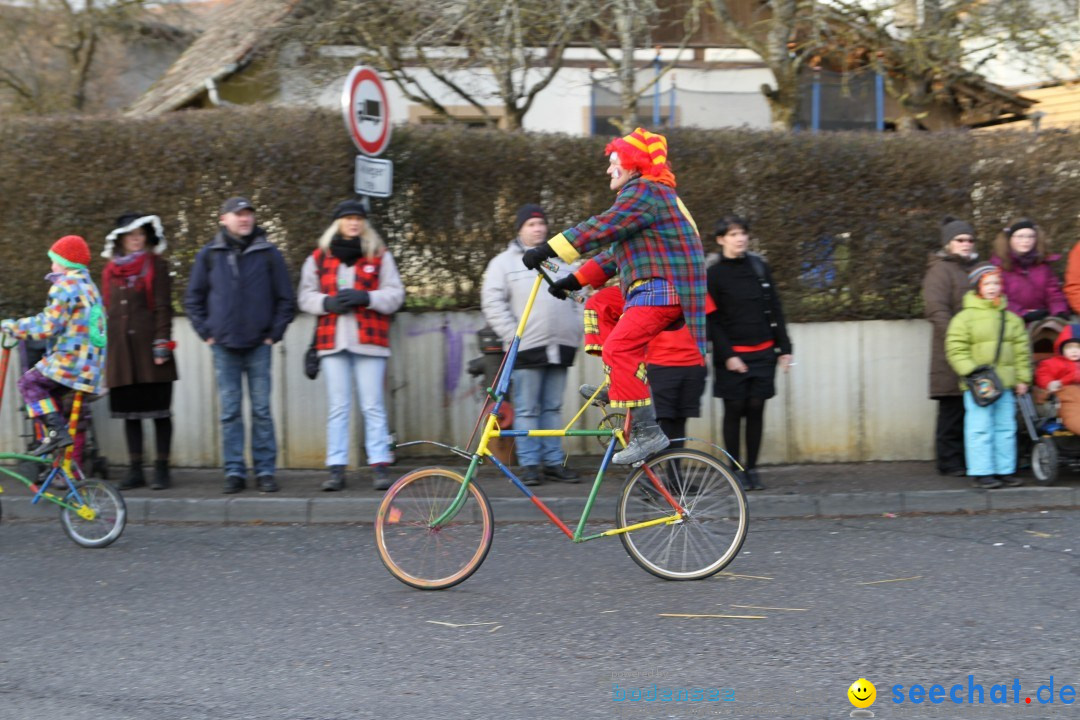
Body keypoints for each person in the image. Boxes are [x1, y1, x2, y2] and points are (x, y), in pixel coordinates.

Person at [525, 127, 706, 466]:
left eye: (613, 161)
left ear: (633, 164)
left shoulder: (645, 191)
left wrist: (548, 249)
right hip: (650, 287)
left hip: (661, 289)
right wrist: (573, 281)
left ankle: (647, 433)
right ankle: (620, 384)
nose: (609, 169)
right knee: (600, 304)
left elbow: (603, 226)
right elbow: (615, 254)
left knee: (619, 347)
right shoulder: (648, 197)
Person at [184, 197, 295, 494]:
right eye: (238, 214)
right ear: (223, 218)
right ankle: (234, 471)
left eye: (248, 214)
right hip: (224, 346)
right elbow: (193, 300)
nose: (244, 219)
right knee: (230, 411)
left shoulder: (269, 253)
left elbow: (286, 299)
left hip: (260, 344)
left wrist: (274, 334)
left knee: (261, 410)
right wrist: (207, 333)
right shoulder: (209, 254)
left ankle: (265, 472)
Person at [297, 199, 405, 492]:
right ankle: (336, 468)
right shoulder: (319, 258)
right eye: (348, 218)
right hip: (332, 341)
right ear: (338, 223)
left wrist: (368, 298)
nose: (353, 223)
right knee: (338, 406)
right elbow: (305, 296)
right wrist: (326, 302)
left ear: (364, 223)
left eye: (358, 218)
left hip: (370, 341)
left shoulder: (379, 255)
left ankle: (380, 464)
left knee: (373, 405)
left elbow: (396, 294)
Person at [481, 203, 583, 486]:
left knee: (552, 408)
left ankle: (552, 462)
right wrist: (514, 334)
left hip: (561, 346)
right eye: (531, 224)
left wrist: (575, 331)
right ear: (520, 229)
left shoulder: (560, 261)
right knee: (527, 408)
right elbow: (492, 301)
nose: (538, 228)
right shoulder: (503, 263)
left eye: (541, 223)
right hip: (526, 347)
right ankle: (529, 465)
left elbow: (579, 296)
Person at [704, 216, 792, 491]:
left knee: (756, 408)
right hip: (731, 354)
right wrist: (728, 354)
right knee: (734, 409)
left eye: (742, 233)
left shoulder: (759, 267)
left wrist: (784, 349)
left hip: (763, 351)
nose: (740, 238)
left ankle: (752, 469)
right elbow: (712, 319)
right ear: (721, 240)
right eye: (732, 234)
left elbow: (775, 308)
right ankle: (736, 470)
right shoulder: (713, 273)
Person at [1, 235, 106, 461]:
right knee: (47, 393)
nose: (52, 265)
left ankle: (56, 434)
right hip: (90, 367)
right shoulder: (89, 286)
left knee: (28, 382)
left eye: (54, 260)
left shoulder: (66, 285)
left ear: (65, 262)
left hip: (71, 360)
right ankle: (59, 450)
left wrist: (13, 327)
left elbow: (47, 326)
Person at [101, 213, 178, 491]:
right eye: (130, 234)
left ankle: (161, 469)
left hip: (150, 351)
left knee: (159, 412)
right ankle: (135, 470)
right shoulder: (110, 271)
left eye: (140, 234)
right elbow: (106, 312)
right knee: (129, 414)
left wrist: (161, 345)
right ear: (120, 239)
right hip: (122, 353)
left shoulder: (157, 265)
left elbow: (162, 308)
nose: (136, 239)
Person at [578, 284, 706, 451]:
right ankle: (614, 384)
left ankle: (664, 473)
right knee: (598, 306)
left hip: (677, 363)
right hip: (660, 361)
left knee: (667, 422)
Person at [945, 264, 1031, 489]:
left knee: (1006, 427)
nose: (993, 288)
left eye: (996, 283)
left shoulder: (1011, 319)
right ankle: (982, 471)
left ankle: (1004, 469)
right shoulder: (964, 319)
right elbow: (955, 348)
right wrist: (970, 371)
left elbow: (1022, 351)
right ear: (977, 288)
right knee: (979, 427)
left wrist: (1022, 378)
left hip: (1006, 384)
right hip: (979, 385)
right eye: (988, 283)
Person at [922, 216, 980, 478]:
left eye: (969, 239)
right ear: (948, 243)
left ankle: (970, 459)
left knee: (974, 408)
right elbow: (937, 310)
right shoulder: (939, 271)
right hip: (950, 351)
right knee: (952, 408)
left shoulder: (979, 268)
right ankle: (949, 461)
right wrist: (958, 339)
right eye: (960, 240)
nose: (966, 244)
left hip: (979, 349)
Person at [990, 218, 1068, 323]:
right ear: (1009, 239)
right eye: (1020, 236)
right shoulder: (998, 266)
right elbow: (998, 297)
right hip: (1010, 322)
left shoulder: (1043, 265)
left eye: (1030, 236)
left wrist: (1059, 311)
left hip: (1041, 321)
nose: (1026, 240)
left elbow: (1054, 294)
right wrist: (1023, 314)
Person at [1034, 324, 1080, 434]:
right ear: (1061, 349)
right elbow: (1043, 374)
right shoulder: (1053, 363)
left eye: (1078, 347)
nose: (1074, 351)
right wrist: (1050, 384)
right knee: (1074, 417)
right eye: (1069, 347)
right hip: (1067, 398)